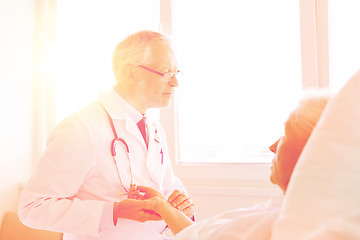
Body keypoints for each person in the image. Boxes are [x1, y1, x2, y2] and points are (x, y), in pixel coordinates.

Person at [18, 30, 194, 240]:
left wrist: (179, 201)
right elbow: (33, 207)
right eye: (166, 72)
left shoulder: (153, 127)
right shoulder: (81, 128)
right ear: (131, 73)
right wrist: (113, 211)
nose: (175, 82)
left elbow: (166, 183)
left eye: (177, 72)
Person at [128, 91, 332, 239]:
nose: (272, 146)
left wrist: (163, 207)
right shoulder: (286, 210)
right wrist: (162, 206)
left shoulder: (281, 224)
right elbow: (199, 235)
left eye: (286, 134)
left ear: (312, 150)